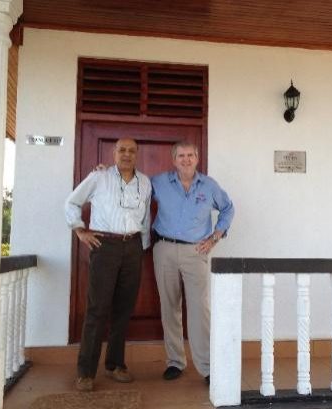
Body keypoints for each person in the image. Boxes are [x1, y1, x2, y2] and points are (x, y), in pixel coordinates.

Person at [65, 138, 151, 392]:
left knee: (124, 310)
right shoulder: (99, 178)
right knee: (97, 309)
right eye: (122, 150)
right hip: (105, 247)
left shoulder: (145, 182)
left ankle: (115, 365)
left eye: (131, 151)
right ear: (114, 153)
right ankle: (85, 372)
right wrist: (80, 230)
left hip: (133, 248)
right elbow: (72, 202)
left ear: (137, 154)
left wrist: (141, 247)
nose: (126, 154)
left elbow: (145, 218)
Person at [151, 141, 235, 386]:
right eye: (181, 156)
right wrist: (104, 172)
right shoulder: (158, 182)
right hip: (164, 248)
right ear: (173, 159)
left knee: (200, 309)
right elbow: (134, 187)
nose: (185, 159)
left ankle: (207, 367)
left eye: (190, 155)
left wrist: (216, 236)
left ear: (197, 158)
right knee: (170, 307)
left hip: (196, 251)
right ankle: (175, 362)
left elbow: (228, 209)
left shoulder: (209, 186)